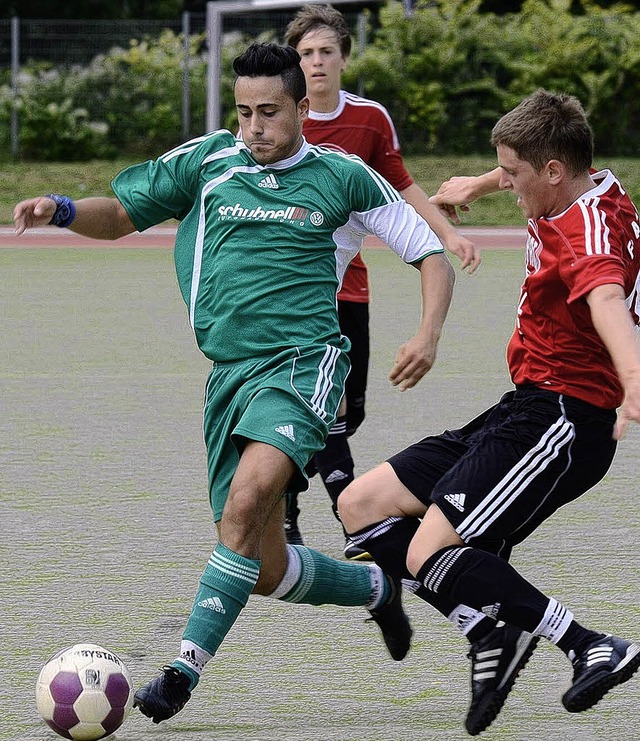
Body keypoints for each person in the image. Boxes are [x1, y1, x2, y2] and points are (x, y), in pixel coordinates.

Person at [14, 43, 457, 725]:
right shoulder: (209, 162)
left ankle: (181, 671)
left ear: (302, 108)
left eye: (270, 112)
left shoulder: (343, 176)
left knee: (248, 500)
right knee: (264, 563)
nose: (255, 126)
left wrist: (427, 333)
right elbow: (124, 215)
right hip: (229, 378)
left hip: (304, 365)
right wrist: (65, 209)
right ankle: (377, 587)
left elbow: (428, 248)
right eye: (245, 111)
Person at [338, 89, 640, 736]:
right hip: (523, 405)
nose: (509, 180)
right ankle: (489, 629)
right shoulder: (587, 183)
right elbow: (529, 168)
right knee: (360, 506)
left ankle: (588, 643)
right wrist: (477, 184)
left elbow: (608, 298)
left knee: (429, 549)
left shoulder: (586, 231)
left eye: (513, 172)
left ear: (553, 171)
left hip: (564, 418)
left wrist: (633, 379)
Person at [283, 3, 481, 560]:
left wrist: (445, 234)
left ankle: (294, 494)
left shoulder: (369, 119)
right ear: (294, 64)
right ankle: (323, 511)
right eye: (306, 54)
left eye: (326, 52)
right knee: (322, 404)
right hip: (294, 290)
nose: (317, 62)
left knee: (350, 408)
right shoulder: (276, 120)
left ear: (344, 57)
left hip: (351, 282)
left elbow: (401, 187)